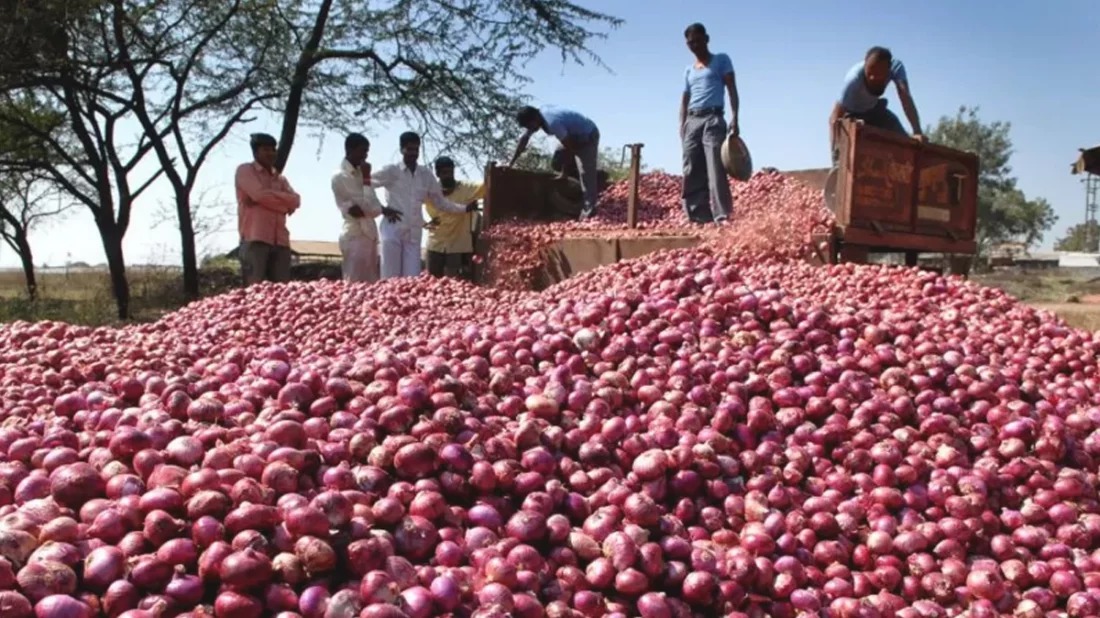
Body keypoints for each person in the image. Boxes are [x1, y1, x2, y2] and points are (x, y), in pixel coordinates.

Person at [371, 132, 478, 279]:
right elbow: (365, 183)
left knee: (412, 279)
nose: (413, 153)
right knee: (390, 278)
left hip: (414, 233)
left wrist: (464, 208)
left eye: (416, 149)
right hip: (393, 230)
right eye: (410, 149)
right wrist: (381, 209)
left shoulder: (425, 175)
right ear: (402, 149)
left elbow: (441, 203)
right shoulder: (391, 171)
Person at [680, 22, 739, 225]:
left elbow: (731, 88)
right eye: (690, 43)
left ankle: (722, 214)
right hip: (693, 119)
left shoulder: (721, 60)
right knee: (691, 166)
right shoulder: (688, 71)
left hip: (713, 118)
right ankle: (698, 214)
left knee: (715, 166)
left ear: (706, 39)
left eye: (697, 40)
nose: (694, 45)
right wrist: (682, 124)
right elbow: (684, 100)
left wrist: (735, 118)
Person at [830, 46, 925, 162]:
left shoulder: (896, 68)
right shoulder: (853, 80)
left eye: (878, 75)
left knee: (904, 141)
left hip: (875, 110)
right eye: (869, 73)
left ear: (888, 71)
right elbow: (835, 117)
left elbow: (905, 97)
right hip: (853, 116)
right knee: (855, 131)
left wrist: (917, 132)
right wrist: (836, 154)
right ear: (865, 66)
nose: (872, 77)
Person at [330, 133, 403, 283]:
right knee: (355, 283)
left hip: (369, 233)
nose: (365, 156)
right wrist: (367, 179)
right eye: (363, 151)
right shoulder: (342, 176)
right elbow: (369, 208)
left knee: (369, 285)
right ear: (350, 150)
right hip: (355, 234)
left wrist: (383, 209)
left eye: (367, 152)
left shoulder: (359, 174)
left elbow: (374, 205)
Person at [507, 105, 601, 220]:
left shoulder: (552, 122)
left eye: (529, 125)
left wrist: (564, 172)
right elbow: (524, 140)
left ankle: (589, 211)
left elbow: (569, 148)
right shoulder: (538, 116)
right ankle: (578, 182)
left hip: (587, 135)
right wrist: (511, 163)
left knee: (586, 173)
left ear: (534, 119)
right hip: (571, 136)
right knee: (557, 161)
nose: (530, 129)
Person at [234, 133, 301, 285]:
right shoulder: (245, 171)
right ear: (256, 152)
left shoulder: (279, 178)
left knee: (281, 292)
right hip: (255, 238)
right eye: (266, 149)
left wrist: (266, 199)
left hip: (281, 241)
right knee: (254, 290)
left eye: (273, 149)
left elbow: (296, 200)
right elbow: (259, 195)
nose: (271, 153)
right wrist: (283, 205)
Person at [424, 156, 484, 281]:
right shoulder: (430, 191)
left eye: (451, 172)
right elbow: (412, 204)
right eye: (444, 173)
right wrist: (423, 223)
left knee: (455, 283)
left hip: (457, 245)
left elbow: (486, 185)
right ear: (438, 174)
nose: (448, 176)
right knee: (431, 282)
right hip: (435, 244)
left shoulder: (466, 188)